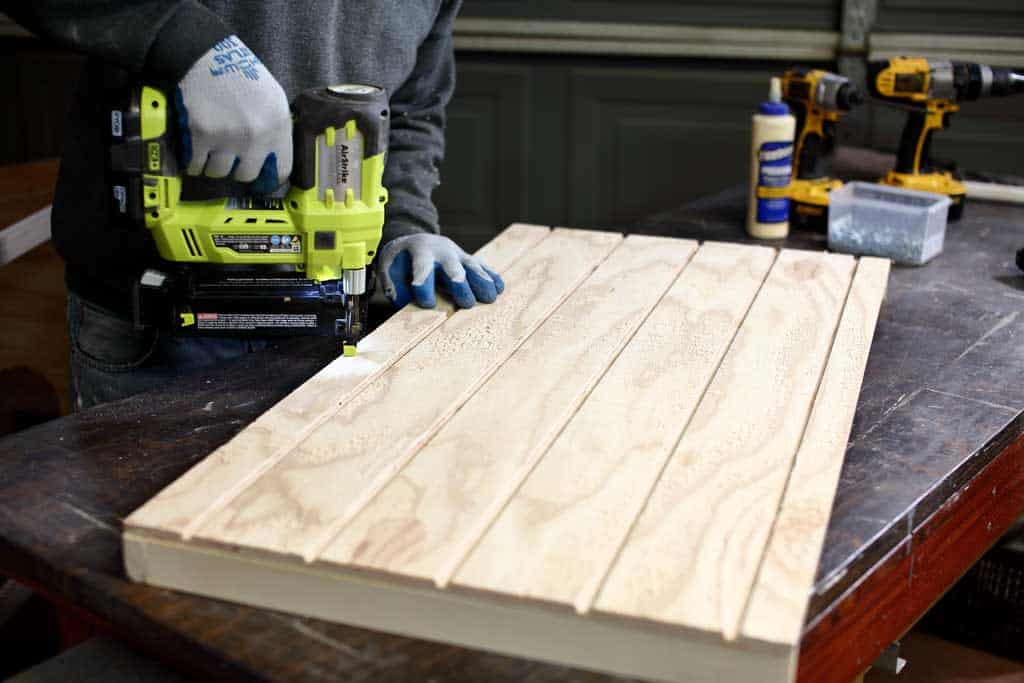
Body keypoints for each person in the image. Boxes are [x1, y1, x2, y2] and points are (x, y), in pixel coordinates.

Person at [6, 0, 504, 410]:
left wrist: (407, 224)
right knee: (136, 527)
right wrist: (183, 42)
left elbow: (412, 112)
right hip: (151, 326)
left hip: (326, 322)